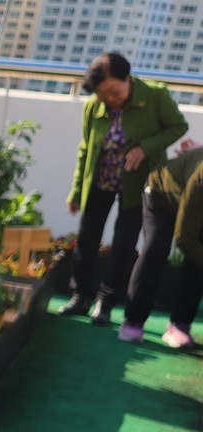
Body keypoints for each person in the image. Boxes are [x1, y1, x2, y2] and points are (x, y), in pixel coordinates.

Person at [60, 51, 187, 324]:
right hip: (100, 179)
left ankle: (105, 301)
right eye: (102, 94)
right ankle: (80, 295)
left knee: (123, 243)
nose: (109, 99)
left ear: (127, 78)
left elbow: (178, 126)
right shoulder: (93, 107)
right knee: (87, 238)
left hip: (138, 183)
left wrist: (146, 147)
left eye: (113, 91)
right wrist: (75, 190)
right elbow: (86, 149)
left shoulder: (155, 96)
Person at [119, 141, 203, 347]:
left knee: (197, 258)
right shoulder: (200, 179)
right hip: (160, 193)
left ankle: (179, 326)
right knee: (156, 249)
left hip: (191, 202)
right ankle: (133, 322)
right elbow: (183, 237)